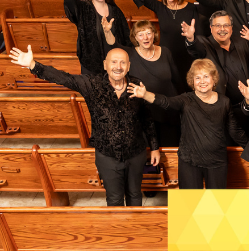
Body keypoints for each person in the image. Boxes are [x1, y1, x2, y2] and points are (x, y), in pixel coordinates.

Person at [9, 46, 158, 205]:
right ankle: (119, 230)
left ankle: (134, 229)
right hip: (107, 156)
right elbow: (64, 78)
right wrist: (33, 65)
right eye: (113, 62)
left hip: (136, 153)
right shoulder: (91, 84)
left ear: (128, 66)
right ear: (105, 65)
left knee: (135, 195)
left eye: (123, 63)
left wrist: (154, 147)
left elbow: (147, 118)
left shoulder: (137, 85)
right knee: (114, 199)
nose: (118, 66)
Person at [128, 59, 249, 189]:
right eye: (197, 77)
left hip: (217, 162)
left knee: (217, 206)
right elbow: (166, 102)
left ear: (214, 79)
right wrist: (145, 94)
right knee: (189, 205)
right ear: (192, 81)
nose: (202, 81)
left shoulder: (224, 102)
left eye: (206, 76)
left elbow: (234, 130)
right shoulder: (186, 100)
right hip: (189, 162)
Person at [103, 19, 184, 147]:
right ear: (135, 37)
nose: (145, 37)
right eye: (140, 34)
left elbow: (177, 80)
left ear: (154, 34)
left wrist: (180, 105)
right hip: (143, 113)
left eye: (148, 33)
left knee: (171, 149)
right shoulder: (129, 54)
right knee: (148, 153)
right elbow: (114, 47)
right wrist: (107, 32)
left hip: (167, 110)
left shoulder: (165, 52)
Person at [41, 0, 131, 74]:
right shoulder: (83, 8)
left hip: (115, 65)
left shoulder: (116, 11)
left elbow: (126, 37)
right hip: (91, 65)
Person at [106, 0, 203, 74]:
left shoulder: (191, 8)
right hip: (166, 58)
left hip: (188, 57)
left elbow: (199, 35)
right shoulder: (160, 7)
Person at [182, 11, 249, 137]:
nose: (222, 29)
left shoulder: (241, 43)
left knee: (248, 143)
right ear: (211, 28)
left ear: (231, 28)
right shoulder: (204, 43)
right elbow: (196, 49)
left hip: (245, 106)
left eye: (226, 25)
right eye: (217, 26)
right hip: (220, 109)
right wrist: (190, 39)